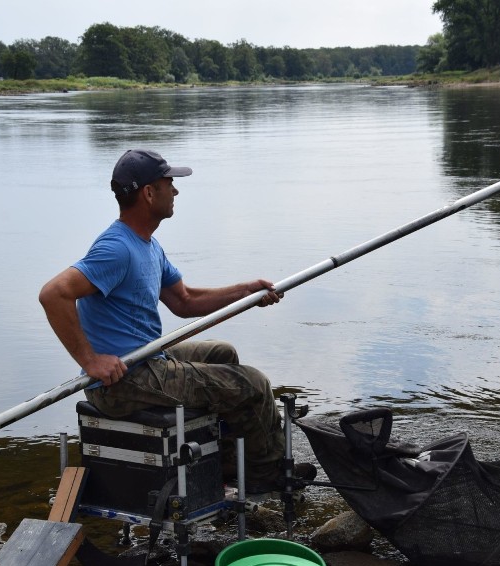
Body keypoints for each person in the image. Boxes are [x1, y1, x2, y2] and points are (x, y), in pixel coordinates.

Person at [39, 149, 314, 492]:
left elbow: (184, 301)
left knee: (222, 353)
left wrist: (247, 291)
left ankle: (229, 459)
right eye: (170, 184)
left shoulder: (148, 245)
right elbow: (53, 294)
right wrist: (90, 361)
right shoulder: (117, 249)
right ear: (149, 193)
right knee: (254, 385)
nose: (177, 192)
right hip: (123, 381)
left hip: (145, 359)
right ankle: (266, 474)